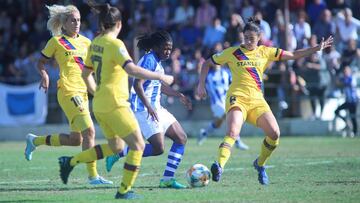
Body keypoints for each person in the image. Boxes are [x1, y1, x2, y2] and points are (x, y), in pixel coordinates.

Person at [196, 17, 333, 185]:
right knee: (232, 132)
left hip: (257, 101)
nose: (247, 41)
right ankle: (220, 166)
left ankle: (260, 164)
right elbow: (207, 63)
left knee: (275, 134)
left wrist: (316, 49)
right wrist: (201, 85)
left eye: (251, 38)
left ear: (259, 37)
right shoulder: (232, 52)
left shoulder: (266, 52)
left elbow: (293, 55)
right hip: (237, 98)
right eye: (245, 37)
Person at [57, 2, 174, 199]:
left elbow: (86, 75)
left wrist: (98, 92)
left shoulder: (95, 43)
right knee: (138, 145)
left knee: (117, 147)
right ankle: (124, 191)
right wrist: (160, 77)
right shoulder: (115, 44)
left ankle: (70, 161)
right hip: (115, 104)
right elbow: (131, 69)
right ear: (118, 24)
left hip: (100, 105)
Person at [24, 4, 112, 185]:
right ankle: (93, 176)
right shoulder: (56, 41)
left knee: (75, 140)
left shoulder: (87, 42)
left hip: (83, 93)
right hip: (67, 90)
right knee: (90, 131)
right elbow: (40, 63)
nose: (77, 23)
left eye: (79, 20)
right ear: (64, 23)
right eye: (73, 20)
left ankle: (35, 141)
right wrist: (45, 75)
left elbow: (93, 67)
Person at [105, 30, 192, 189]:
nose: (168, 51)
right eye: (165, 48)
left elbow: (159, 87)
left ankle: (167, 179)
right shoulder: (149, 60)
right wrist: (149, 106)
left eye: (170, 48)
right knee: (158, 148)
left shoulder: (157, 61)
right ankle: (119, 153)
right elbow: (137, 85)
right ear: (156, 46)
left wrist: (179, 95)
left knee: (181, 138)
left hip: (155, 108)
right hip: (143, 109)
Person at [198, 44, 249, 150]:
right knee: (230, 116)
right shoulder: (208, 76)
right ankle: (237, 141)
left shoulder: (226, 73)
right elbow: (200, 85)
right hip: (216, 103)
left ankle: (204, 133)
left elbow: (234, 83)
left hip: (227, 101)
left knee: (218, 123)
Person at [334, 65, 358, 137]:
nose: (345, 72)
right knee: (336, 111)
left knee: (353, 116)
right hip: (347, 101)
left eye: (346, 71)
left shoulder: (351, 78)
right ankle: (346, 122)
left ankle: (355, 132)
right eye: (344, 71)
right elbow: (337, 83)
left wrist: (339, 81)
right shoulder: (344, 78)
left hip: (353, 101)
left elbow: (344, 83)